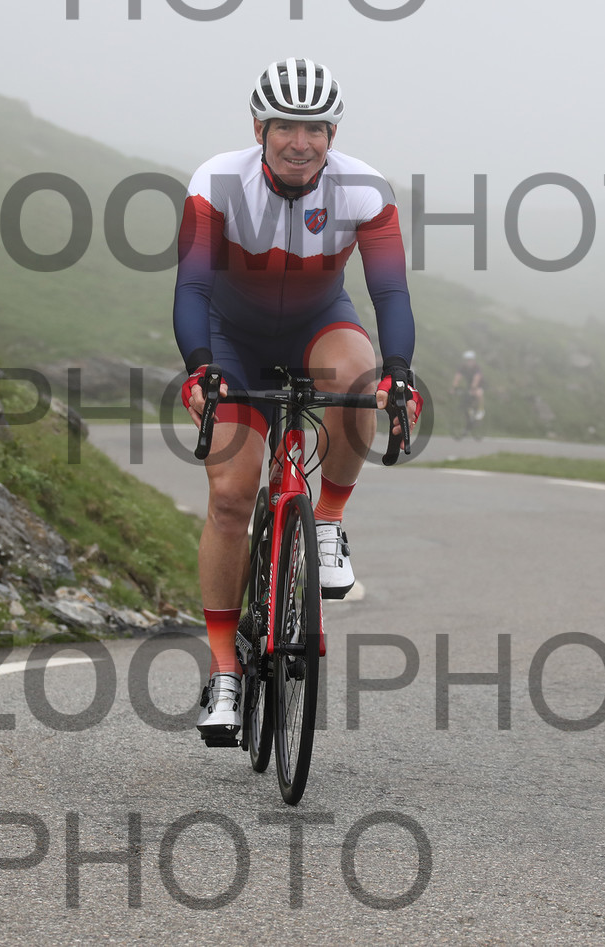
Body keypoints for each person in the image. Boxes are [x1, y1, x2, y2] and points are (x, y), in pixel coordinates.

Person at [173, 58, 421, 744]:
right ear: (259, 128)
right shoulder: (218, 182)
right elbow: (192, 287)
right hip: (232, 338)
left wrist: (399, 374)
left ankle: (328, 522)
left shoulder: (364, 190)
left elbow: (390, 292)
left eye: (315, 129)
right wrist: (200, 369)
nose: (300, 142)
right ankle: (225, 671)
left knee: (360, 379)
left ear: (332, 134)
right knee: (231, 497)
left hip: (318, 322)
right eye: (285, 126)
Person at [451, 350, 485, 424]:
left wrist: (473, 388)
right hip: (469, 384)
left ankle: (480, 410)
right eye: (467, 360)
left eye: (470, 360)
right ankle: (469, 410)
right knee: (466, 396)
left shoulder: (477, 367)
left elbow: (476, 378)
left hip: (480, 384)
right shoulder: (462, 367)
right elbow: (457, 377)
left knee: (478, 393)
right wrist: (454, 387)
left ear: (473, 360)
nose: (468, 362)